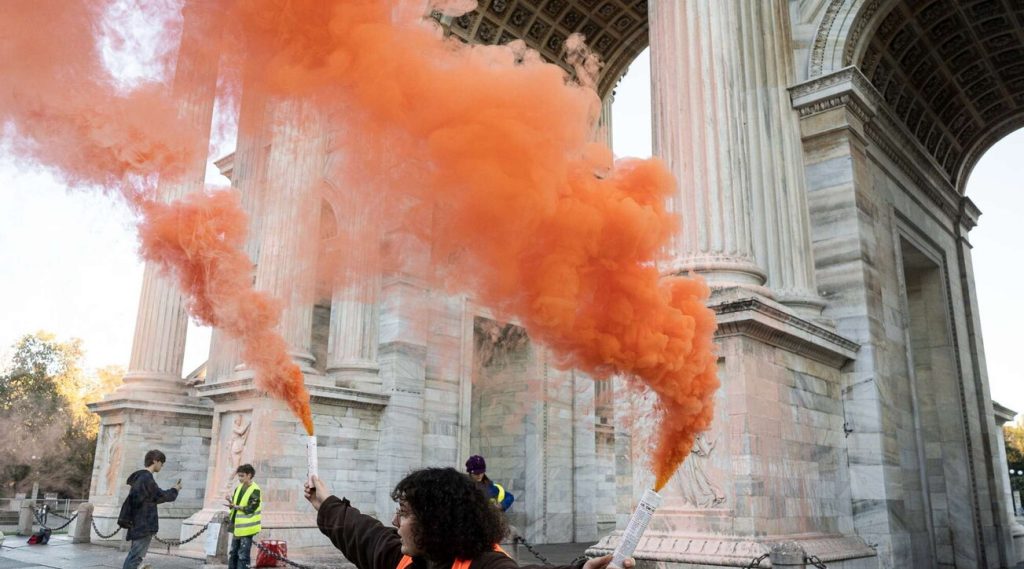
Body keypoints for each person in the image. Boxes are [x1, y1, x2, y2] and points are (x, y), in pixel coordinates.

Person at [304, 467, 634, 569]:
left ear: (435, 521)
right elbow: (362, 531)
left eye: (404, 513)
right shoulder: (402, 559)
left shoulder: (488, 565)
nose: (394, 521)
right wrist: (325, 502)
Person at [121, 449, 181, 569]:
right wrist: (175, 489)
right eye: (161, 462)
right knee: (135, 557)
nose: (162, 465)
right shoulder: (146, 478)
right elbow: (159, 496)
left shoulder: (140, 478)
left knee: (135, 556)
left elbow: (152, 498)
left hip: (138, 523)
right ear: (155, 461)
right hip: (143, 524)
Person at [225, 463, 262, 569]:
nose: (240, 478)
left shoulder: (255, 489)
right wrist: (230, 502)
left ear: (249, 475)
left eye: (242, 476)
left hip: (247, 528)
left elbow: (251, 508)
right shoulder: (239, 488)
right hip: (237, 526)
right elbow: (235, 506)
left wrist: (236, 507)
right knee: (233, 553)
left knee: (243, 555)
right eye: (239, 476)